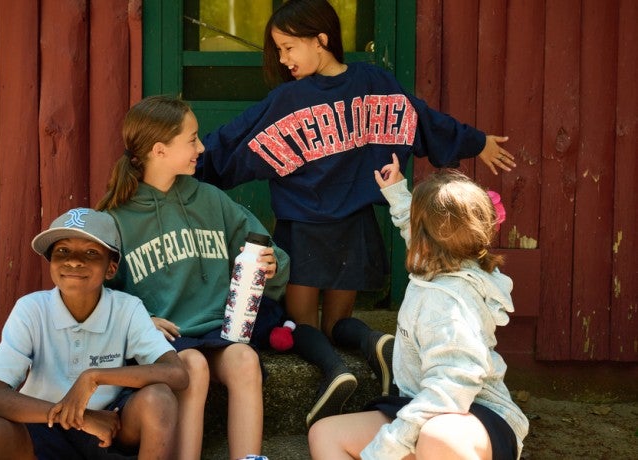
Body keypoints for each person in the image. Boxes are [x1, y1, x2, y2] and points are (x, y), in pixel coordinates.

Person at [197, 0, 517, 429]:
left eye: (289, 47)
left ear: (321, 39)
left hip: (303, 229)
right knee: (340, 323)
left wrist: (184, 167)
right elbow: (423, 119)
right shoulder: (375, 82)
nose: (283, 59)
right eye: (278, 50)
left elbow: (232, 142)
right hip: (354, 228)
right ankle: (374, 343)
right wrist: (474, 142)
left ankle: (335, 371)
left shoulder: (287, 100)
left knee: (296, 326)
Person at [96, 95, 290, 460]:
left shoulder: (211, 200)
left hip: (218, 331)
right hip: (165, 342)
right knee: (192, 367)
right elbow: (97, 297)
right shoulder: (115, 218)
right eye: (192, 139)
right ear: (159, 150)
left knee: (245, 361)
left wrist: (271, 262)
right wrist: (141, 322)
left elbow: (264, 248)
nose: (202, 147)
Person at [307, 158, 529, 459]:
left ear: (426, 239)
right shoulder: (446, 260)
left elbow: (453, 388)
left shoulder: (449, 305)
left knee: (437, 438)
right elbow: (414, 230)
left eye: (415, 221)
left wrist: (386, 449)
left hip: (473, 416)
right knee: (326, 434)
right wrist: (397, 190)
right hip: (422, 404)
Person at [0, 208, 189, 459]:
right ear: (51, 262)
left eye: (91, 253)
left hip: (109, 428)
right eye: (62, 251)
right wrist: (80, 418)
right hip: (42, 426)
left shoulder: (126, 308)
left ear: (111, 268)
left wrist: (94, 377)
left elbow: (176, 374)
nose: (74, 261)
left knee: (159, 400)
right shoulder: (32, 309)